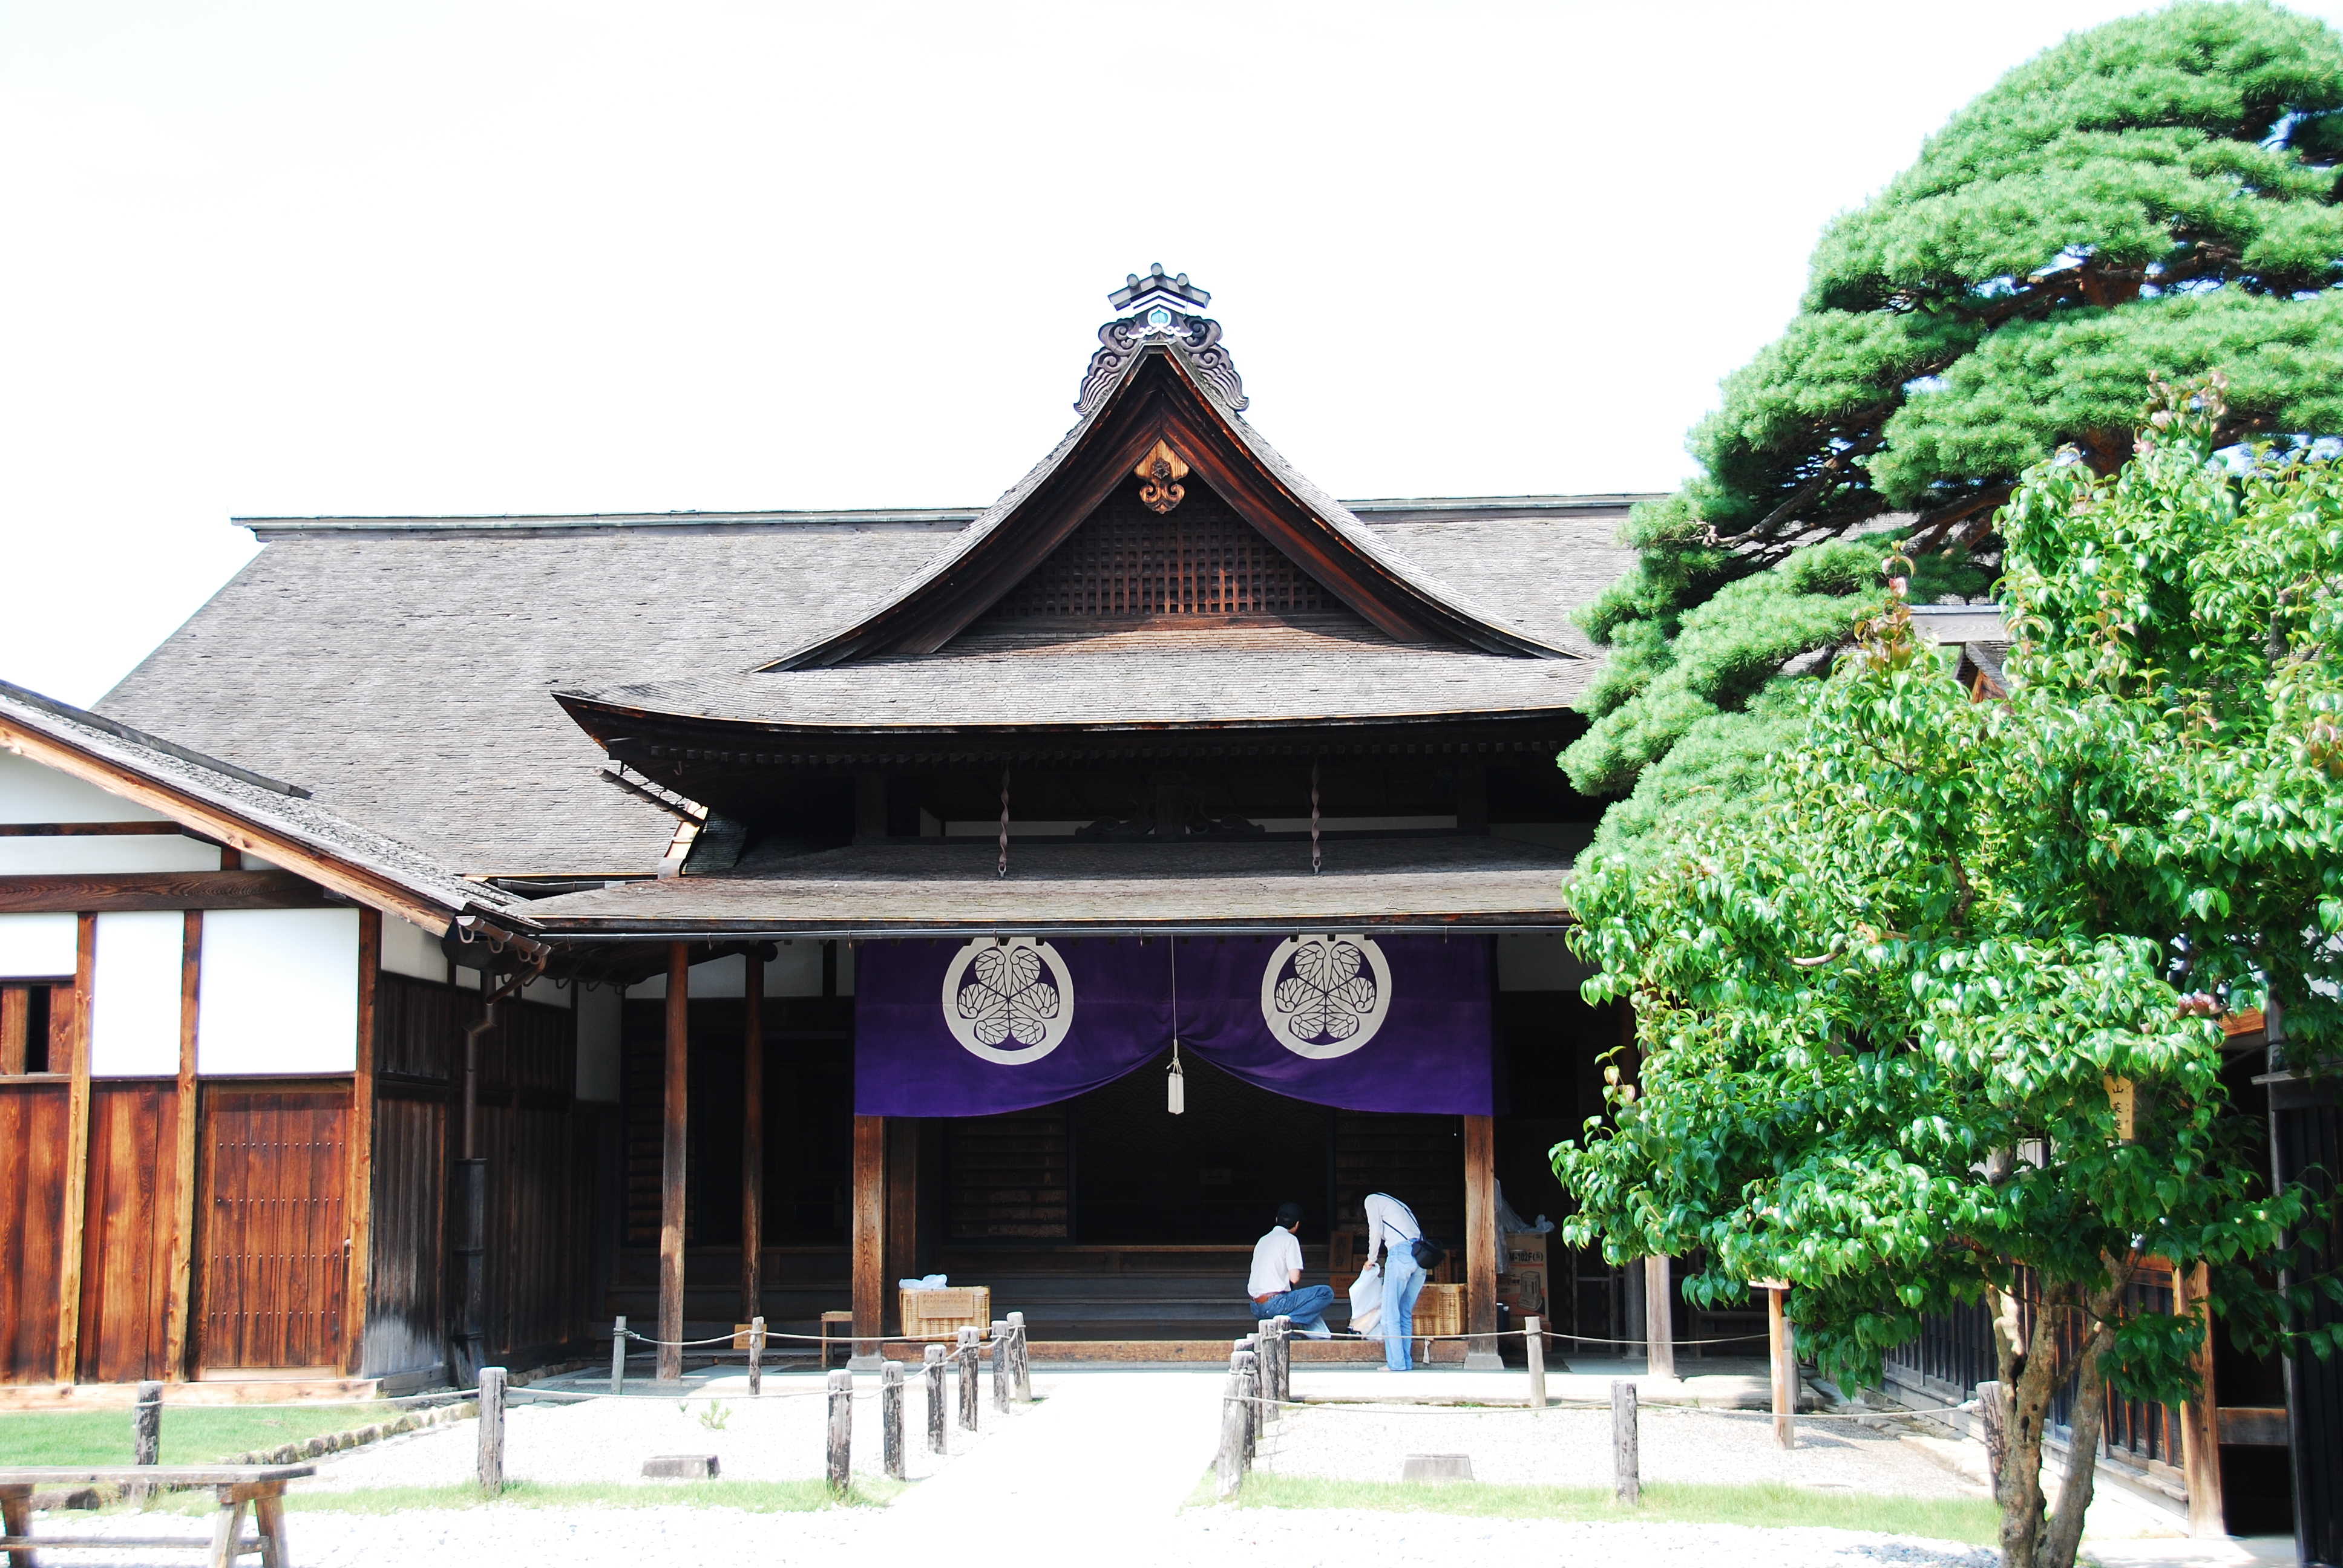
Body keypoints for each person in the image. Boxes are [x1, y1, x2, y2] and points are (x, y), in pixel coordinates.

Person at [1361, 1191, 1428, 1371]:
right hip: (1420, 1256)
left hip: (1401, 1253)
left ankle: (1396, 1364)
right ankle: (1405, 1362)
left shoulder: (1371, 1200)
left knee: (1390, 1314)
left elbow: (1375, 1230)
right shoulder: (1397, 1203)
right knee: (1405, 1312)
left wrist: (1372, 1258)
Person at [1247, 1201, 1335, 1338]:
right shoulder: (1290, 1239)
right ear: (1297, 1224)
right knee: (1325, 1292)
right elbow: (1295, 1278)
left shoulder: (1262, 1240)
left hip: (1255, 1307)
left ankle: (1282, 1329)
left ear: (1277, 1220)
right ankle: (1286, 1322)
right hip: (1275, 1304)